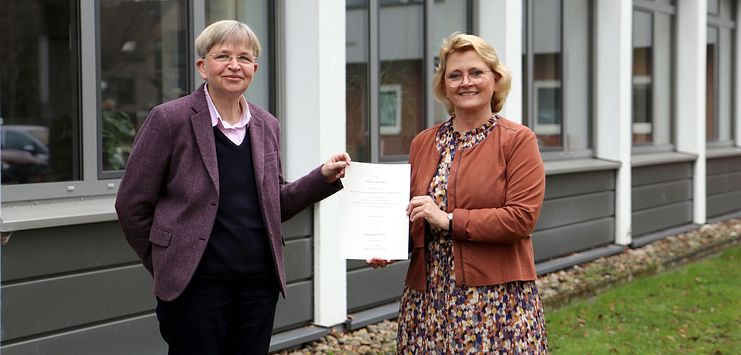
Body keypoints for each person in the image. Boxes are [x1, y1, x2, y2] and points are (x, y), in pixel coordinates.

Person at [115, 20, 351, 355]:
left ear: (255, 67)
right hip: (195, 287)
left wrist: (322, 177)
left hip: (258, 285)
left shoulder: (266, 124)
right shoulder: (170, 120)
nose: (234, 65)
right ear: (202, 66)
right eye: (222, 56)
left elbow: (275, 204)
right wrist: (168, 261)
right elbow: (131, 204)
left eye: (244, 57)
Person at [369, 32, 547, 353]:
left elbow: (521, 219)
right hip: (429, 301)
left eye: (476, 72)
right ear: (444, 85)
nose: (466, 82)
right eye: (455, 75)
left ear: (495, 79)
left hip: (496, 300)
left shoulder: (518, 140)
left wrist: (449, 220)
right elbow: (415, 213)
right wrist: (390, 244)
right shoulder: (423, 142)